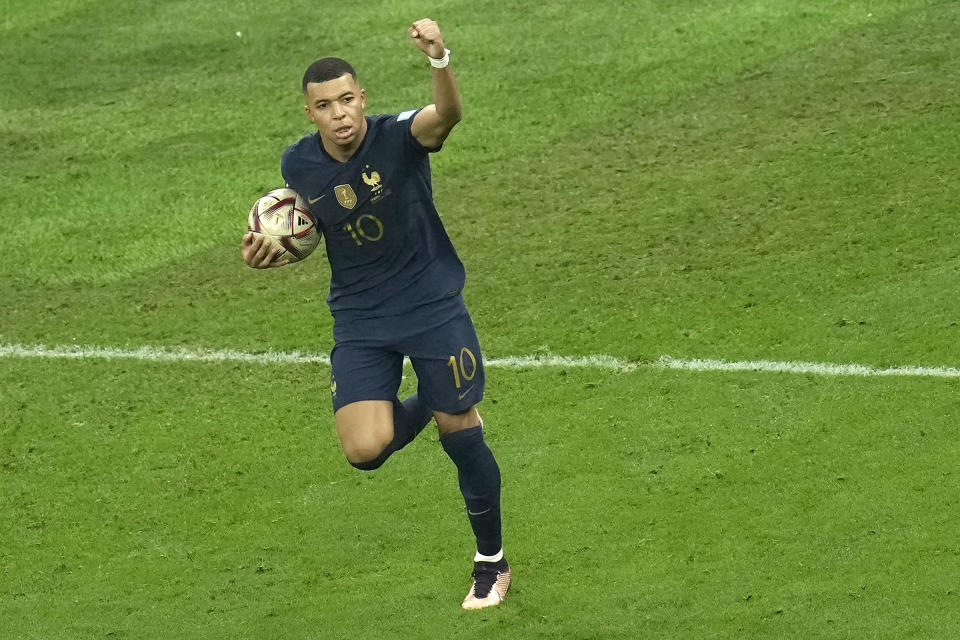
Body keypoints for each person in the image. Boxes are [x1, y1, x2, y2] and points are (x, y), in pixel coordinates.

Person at [241, 19, 510, 609]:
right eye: (324, 106)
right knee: (365, 450)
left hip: (431, 302)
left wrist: (440, 60)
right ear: (309, 113)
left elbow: (447, 116)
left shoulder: (398, 138)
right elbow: (306, 226)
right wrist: (270, 251)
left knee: (459, 434)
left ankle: (491, 561)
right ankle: (436, 403)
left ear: (362, 98)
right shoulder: (299, 167)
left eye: (346, 100)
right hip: (361, 318)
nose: (339, 114)